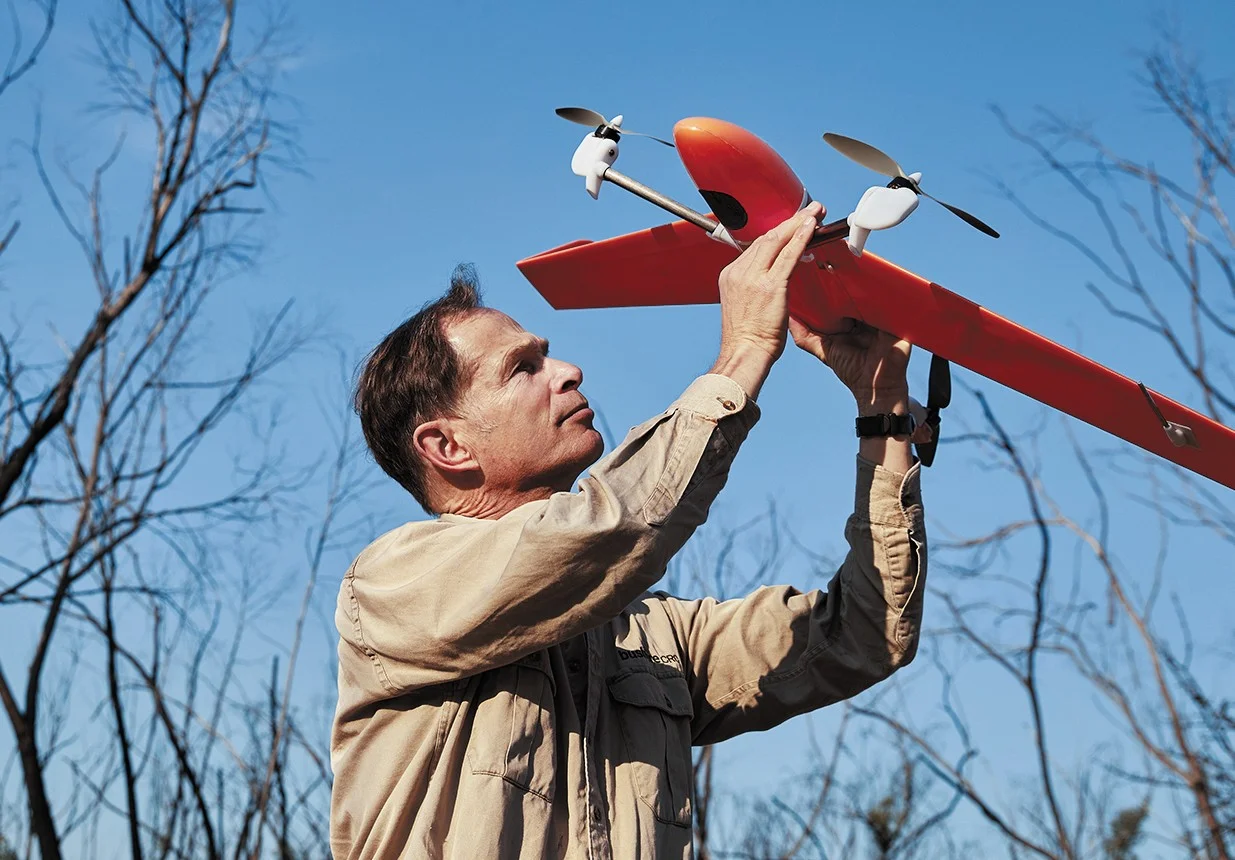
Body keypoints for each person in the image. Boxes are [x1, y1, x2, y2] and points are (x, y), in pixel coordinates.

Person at [331, 202, 928, 859]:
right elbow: (606, 532)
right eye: (523, 368)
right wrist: (742, 355)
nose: (568, 371)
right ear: (447, 446)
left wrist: (883, 412)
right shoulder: (392, 587)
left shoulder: (653, 636)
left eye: (546, 356)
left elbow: (862, 636)